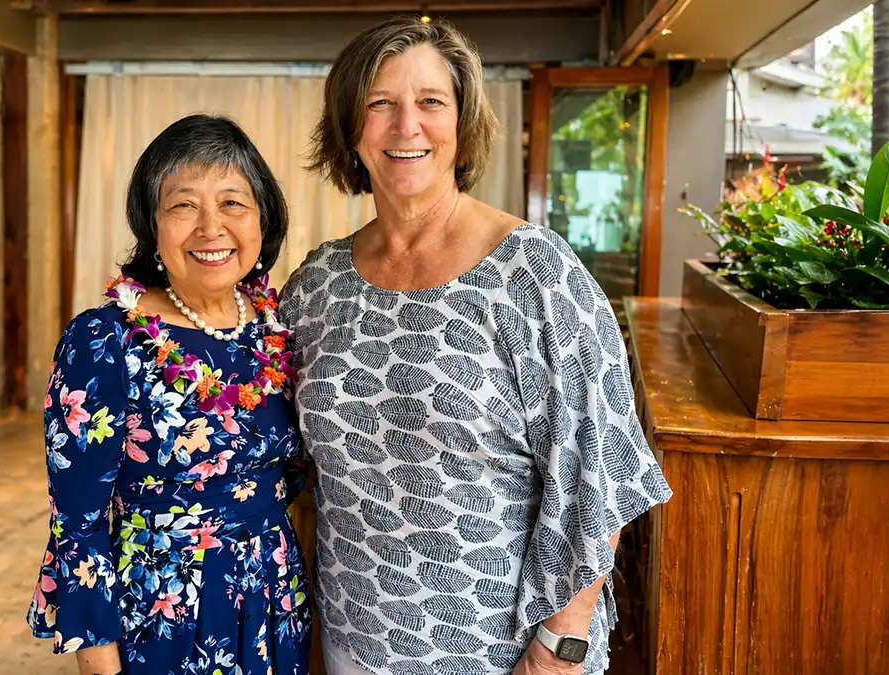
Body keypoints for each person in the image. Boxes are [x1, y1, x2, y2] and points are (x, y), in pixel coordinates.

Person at [279, 17, 672, 675]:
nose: (407, 125)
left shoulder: (536, 274)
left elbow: (599, 476)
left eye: (431, 102)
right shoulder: (317, 285)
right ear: (350, 128)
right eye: (380, 103)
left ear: (463, 125)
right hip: (353, 645)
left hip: (507, 655)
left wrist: (558, 650)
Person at [27, 114, 312, 675]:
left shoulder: (279, 326)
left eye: (233, 202)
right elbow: (77, 526)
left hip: (276, 601)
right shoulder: (104, 340)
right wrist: (100, 663)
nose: (211, 227)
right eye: (184, 205)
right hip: (163, 612)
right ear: (151, 224)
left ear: (263, 218)